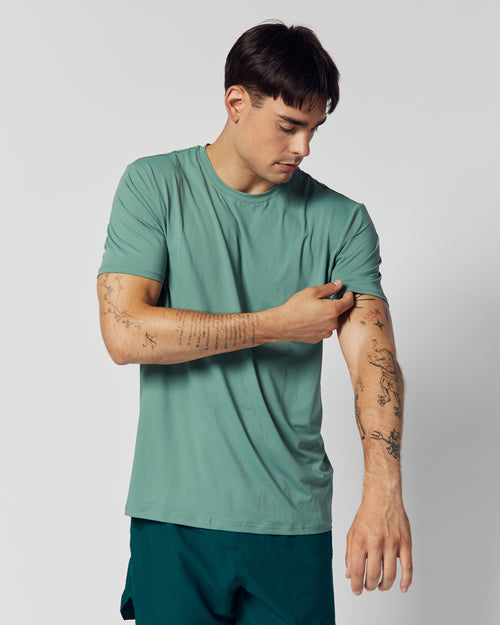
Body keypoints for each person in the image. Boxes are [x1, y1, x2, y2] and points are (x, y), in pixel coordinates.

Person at [97, 20, 412, 625]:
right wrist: (275, 323)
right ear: (236, 103)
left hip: (291, 521)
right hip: (175, 519)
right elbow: (124, 332)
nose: (304, 147)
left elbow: (375, 361)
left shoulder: (342, 221)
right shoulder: (154, 186)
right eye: (289, 126)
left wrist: (383, 491)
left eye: (315, 129)